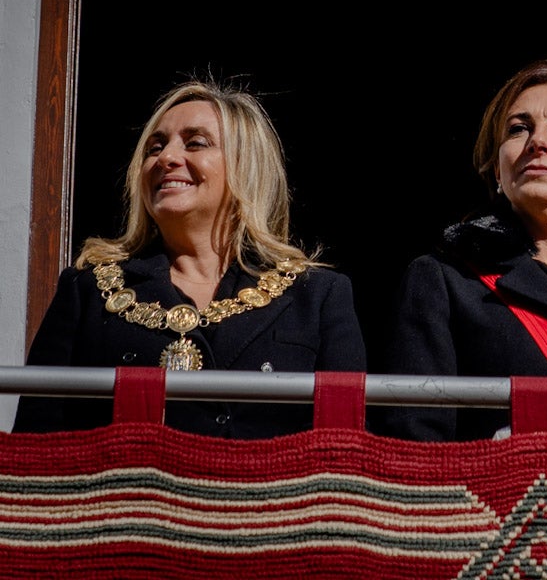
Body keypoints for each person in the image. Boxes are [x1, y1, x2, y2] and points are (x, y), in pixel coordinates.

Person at [14, 79, 368, 438]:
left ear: (247, 166)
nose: (165, 158)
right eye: (155, 147)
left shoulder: (317, 296)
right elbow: (36, 447)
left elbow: (347, 448)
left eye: (195, 143)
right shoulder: (88, 291)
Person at [371, 59, 547, 442]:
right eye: (518, 129)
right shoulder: (447, 281)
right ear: (499, 171)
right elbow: (416, 438)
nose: (538, 142)